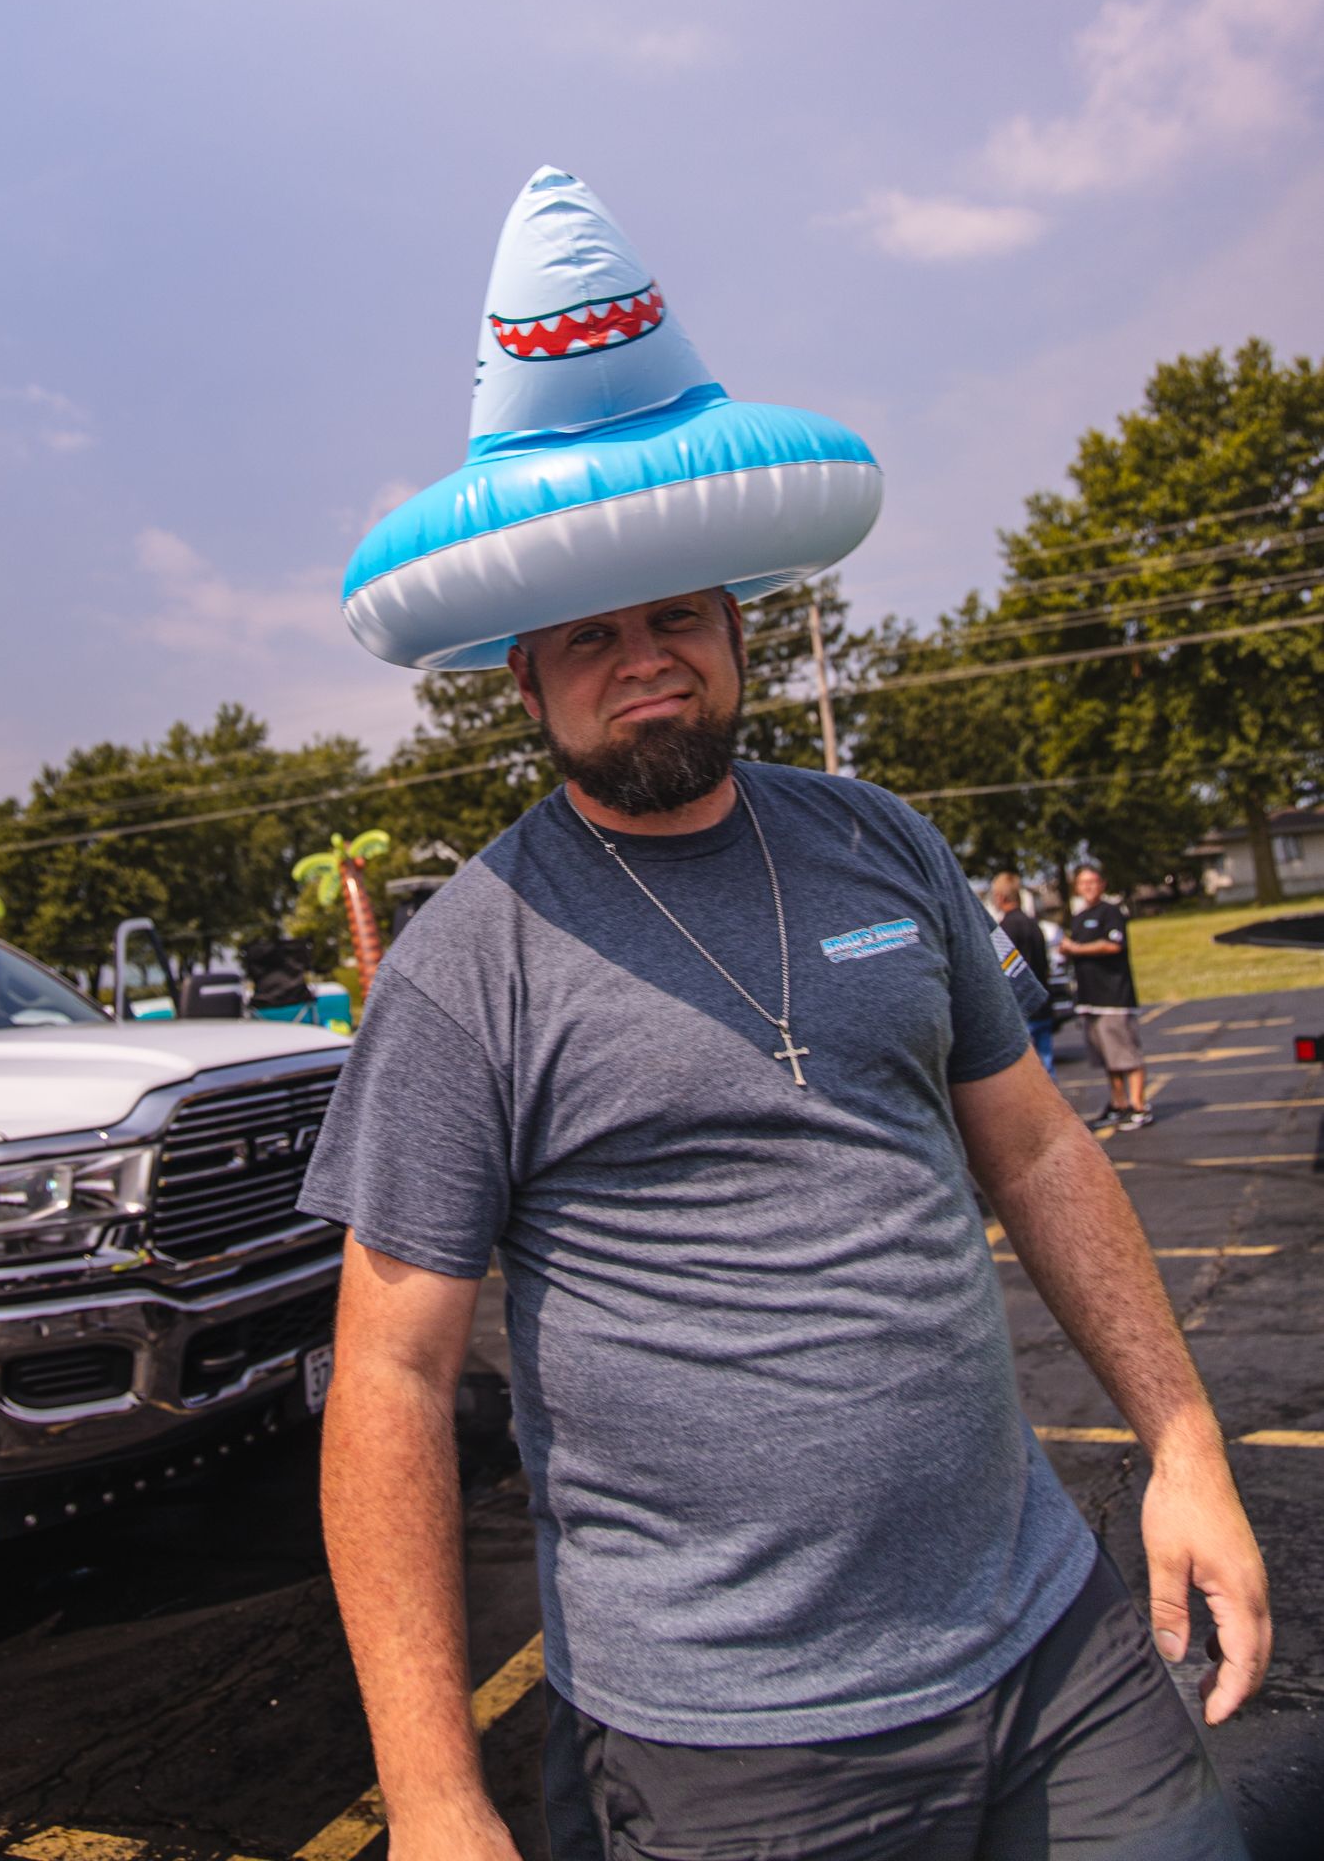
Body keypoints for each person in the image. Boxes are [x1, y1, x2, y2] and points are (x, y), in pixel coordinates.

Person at [302, 589, 1269, 1860]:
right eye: (589, 636)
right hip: (729, 1740)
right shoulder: (469, 959)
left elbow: (1038, 1148)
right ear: (525, 683)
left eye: (679, 618)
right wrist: (431, 1791)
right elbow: (391, 1372)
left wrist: (1185, 1443)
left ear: (739, 635)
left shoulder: (883, 841)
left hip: (1051, 1640)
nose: (645, 661)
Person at [1062, 863, 1152, 1132]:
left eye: (1093, 882)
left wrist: (1077, 948)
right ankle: (1119, 1103)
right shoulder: (1079, 917)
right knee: (1108, 1059)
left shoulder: (1110, 913)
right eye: (1083, 883)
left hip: (1114, 997)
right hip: (1091, 999)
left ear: (1102, 884)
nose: (1088, 887)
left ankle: (1139, 1106)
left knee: (1126, 1054)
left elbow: (1113, 944)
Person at [989, 870, 1054, 1075]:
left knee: (1028, 1073)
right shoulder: (1034, 924)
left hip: (1020, 1009)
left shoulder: (1004, 928)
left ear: (999, 897)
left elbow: (999, 971)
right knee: (1047, 1066)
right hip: (1042, 1002)